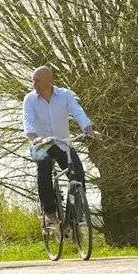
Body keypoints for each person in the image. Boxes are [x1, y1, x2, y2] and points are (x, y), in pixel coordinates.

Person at [22, 66, 95, 228]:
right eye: (33, 81)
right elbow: (28, 121)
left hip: (63, 143)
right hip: (40, 144)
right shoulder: (30, 99)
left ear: (49, 81)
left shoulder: (65, 95)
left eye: (37, 81)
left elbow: (78, 112)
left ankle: (75, 216)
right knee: (44, 165)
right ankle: (49, 211)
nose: (34, 84)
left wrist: (88, 129)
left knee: (78, 175)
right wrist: (34, 138)